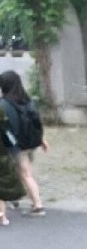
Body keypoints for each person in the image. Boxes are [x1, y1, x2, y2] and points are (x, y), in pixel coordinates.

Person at [0, 70, 48, 217]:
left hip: (16, 146)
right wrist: (41, 140)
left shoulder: (4, 104)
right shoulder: (28, 100)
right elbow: (36, 122)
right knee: (21, 172)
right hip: (30, 143)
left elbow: (6, 128)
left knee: (25, 174)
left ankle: (38, 206)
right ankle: (15, 198)